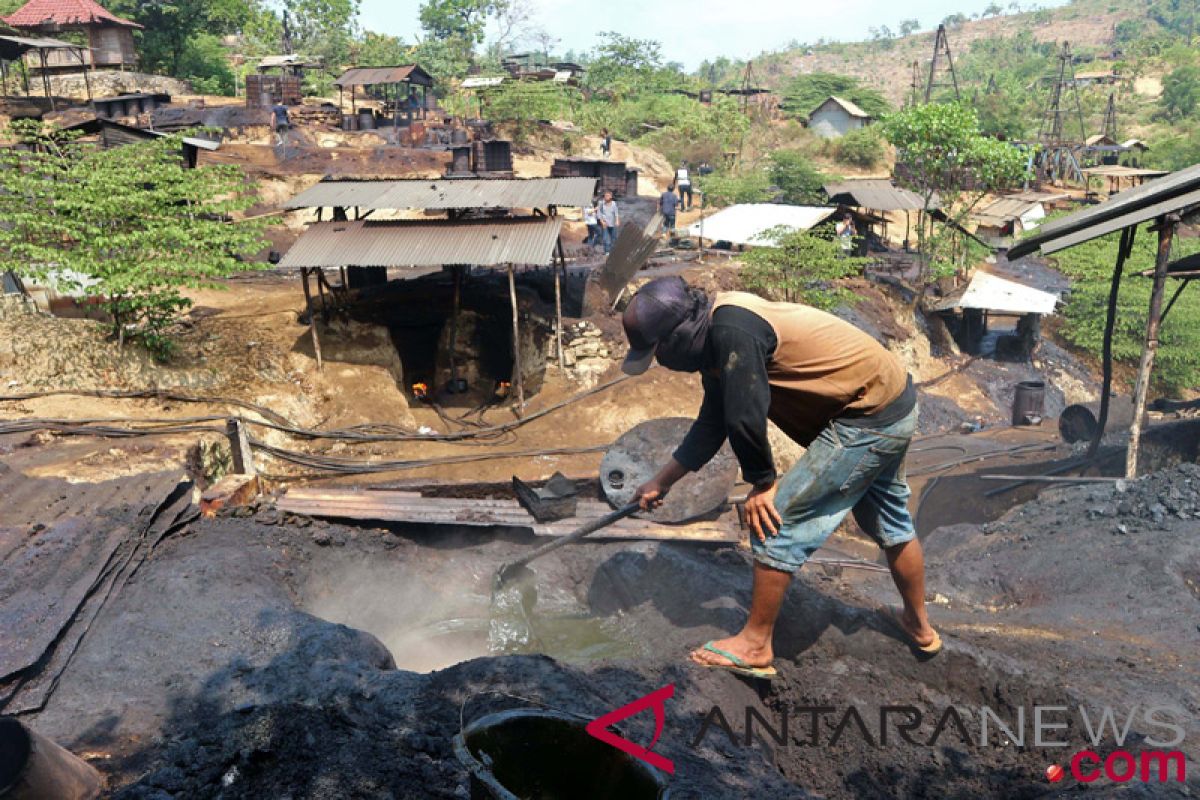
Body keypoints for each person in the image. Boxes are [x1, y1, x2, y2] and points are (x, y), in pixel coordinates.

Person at [620, 277, 937, 679]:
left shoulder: (733, 332)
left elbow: (745, 414)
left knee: (775, 520)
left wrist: (762, 483)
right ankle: (919, 627)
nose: (661, 362)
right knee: (889, 521)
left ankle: (754, 644)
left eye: (657, 352)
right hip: (890, 403)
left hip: (868, 418)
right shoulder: (718, 329)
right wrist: (661, 481)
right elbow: (714, 420)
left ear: (678, 338)